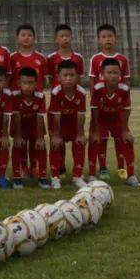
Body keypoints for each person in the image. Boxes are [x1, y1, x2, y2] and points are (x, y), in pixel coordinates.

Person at [90, 58, 140, 187]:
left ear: (120, 74)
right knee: (97, 139)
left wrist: (125, 131)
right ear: (102, 74)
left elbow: (127, 110)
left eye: (116, 73)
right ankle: (96, 172)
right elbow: (94, 110)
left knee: (127, 139)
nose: (113, 76)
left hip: (117, 120)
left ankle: (131, 175)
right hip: (102, 120)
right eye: (109, 72)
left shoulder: (124, 89)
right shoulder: (98, 88)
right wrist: (95, 131)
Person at [48, 59, 88, 190]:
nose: (69, 78)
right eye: (65, 75)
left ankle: (78, 176)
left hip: (73, 123)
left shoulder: (81, 92)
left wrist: (81, 134)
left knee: (79, 143)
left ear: (77, 77)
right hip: (57, 122)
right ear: (59, 77)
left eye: (72, 75)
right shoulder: (56, 92)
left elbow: (81, 115)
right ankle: (55, 177)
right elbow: (56, 116)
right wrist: (56, 135)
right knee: (56, 144)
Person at [11, 67, 48, 189]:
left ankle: (40, 176)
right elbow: (16, 117)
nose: (27, 86)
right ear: (19, 83)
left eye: (31, 83)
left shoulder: (40, 96)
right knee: (18, 145)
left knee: (39, 145)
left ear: (36, 83)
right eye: (24, 83)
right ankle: (18, 177)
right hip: (19, 127)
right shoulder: (14, 96)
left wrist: (40, 137)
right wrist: (17, 136)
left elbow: (40, 118)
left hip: (35, 126)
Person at [9, 23, 47, 92]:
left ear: (34, 38)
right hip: (17, 98)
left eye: (29, 35)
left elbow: (45, 81)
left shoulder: (41, 58)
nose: (26, 38)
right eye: (23, 35)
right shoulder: (11, 58)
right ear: (17, 38)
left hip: (37, 98)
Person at [46, 23, 84, 89]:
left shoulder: (78, 57)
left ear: (71, 37)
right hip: (57, 94)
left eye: (67, 36)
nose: (65, 38)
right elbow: (50, 79)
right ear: (56, 39)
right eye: (62, 36)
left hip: (73, 94)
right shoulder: (51, 58)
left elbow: (79, 78)